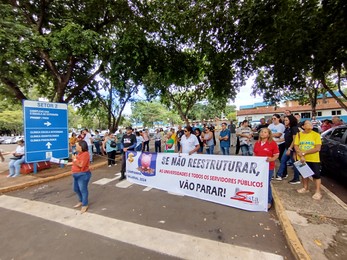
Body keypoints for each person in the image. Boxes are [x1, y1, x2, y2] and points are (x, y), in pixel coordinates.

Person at [294, 120, 322, 200]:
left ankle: (318, 191)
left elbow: (317, 148)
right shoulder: (299, 135)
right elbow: (296, 146)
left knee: (316, 175)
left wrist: (304, 153)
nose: (310, 124)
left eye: (310, 123)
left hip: (313, 158)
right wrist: (300, 154)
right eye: (307, 123)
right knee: (304, 174)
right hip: (302, 158)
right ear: (303, 126)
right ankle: (305, 187)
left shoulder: (316, 135)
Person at [253, 128, 279, 210]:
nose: (262, 133)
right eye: (261, 132)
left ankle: (268, 201)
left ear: (268, 134)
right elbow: (254, 153)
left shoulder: (272, 143)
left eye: (265, 132)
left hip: (269, 167)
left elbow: (276, 155)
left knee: (266, 183)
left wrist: (271, 159)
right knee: (258, 183)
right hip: (258, 168)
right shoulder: (257, 143)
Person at [275, 115, 299, 181]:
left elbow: (295, 140)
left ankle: (296, 178)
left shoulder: (294, 128)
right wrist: (276, 141)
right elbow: (285, 138)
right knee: (283, 160)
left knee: (295, 163)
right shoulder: (288, 128)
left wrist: (290, 148)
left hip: (293, 149)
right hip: (287, 147)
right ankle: (280, 175)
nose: (285, 121)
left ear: (291, 120)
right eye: (284, 120)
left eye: (286, 120)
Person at [70, 140, 91, 213]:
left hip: (83, 174)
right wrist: (68, 162)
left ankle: (85, 204)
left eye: (76, 146)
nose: (75, 147)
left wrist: (74, 159)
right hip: (75, 174)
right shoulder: (78, 154)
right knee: (76, 189)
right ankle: (81, 201)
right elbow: (75, 162)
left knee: (83, 190)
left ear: (81, 147)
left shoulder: (85, 154)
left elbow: (81, 165)